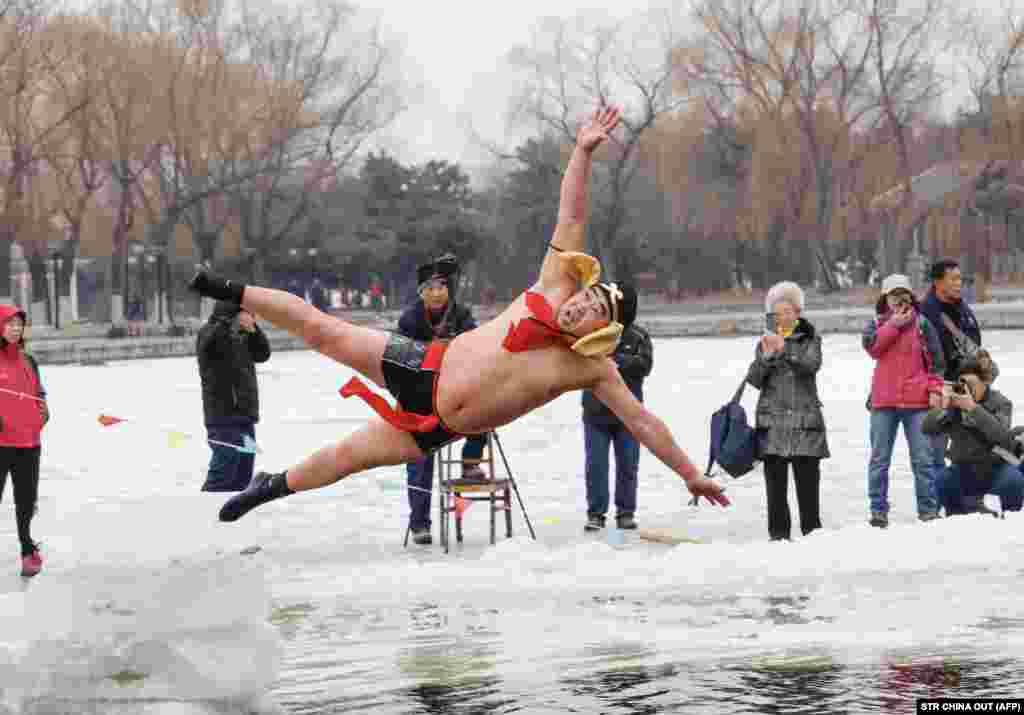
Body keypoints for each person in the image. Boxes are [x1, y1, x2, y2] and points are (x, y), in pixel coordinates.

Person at [187, 104, 729, 524]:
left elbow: (643, 422)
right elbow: (572, 211)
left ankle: (270, 485)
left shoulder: (590, 368)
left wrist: (689, 475)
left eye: (595, 310)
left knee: (349, 455)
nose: (583, 304)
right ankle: (227, 288)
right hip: (426, 364)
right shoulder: (553, 283)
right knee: (323, 331)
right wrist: (582, 154)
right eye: (588, 295)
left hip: (438, 424)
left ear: (603, 330)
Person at [399, 253, 489, 545]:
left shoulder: (461, 314)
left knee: (487, 411)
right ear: (421, 293)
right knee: (420, 460)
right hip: (421, 397)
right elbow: (400, 359)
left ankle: (471, 460)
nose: (436, 293)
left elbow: (476, 346)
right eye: (429, 288)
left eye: (441, 287)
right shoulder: (410, 319)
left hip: (456, 392)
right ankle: (420, 523)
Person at [745, 281, 827, 541]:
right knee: (775, 488)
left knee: (808, 485)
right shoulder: (765, 342)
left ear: (798, 312)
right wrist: (767, 357)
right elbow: (754, 380)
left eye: (788, 311)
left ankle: (812, 532)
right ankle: (778, 535)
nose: (783, 316)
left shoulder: (811, 339)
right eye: (778, 312)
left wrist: (786, 351)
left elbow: (811, 365)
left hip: (806, 423)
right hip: (773, 424)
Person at [862, 274, 946, 527]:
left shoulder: (923, 324)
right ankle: (878, 511)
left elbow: (937, 362)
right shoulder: (876, 324)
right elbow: (873, 348)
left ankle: (928, 510)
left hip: (917, 402)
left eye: (903, 294)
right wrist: (894, 325)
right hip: (883, 402)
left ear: (911, 296)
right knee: (879, 460)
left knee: (923, 460)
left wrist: (934, 388)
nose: (899, 299)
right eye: (893, 295)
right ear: (884, 299)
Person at [920, 259, 999, 514]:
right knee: (936, 450)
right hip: (940, 388)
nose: (958, 283)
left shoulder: (963, 308)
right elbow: (923, 354)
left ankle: (971, 501)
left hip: (966, 387)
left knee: (971, 449)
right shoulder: (927, 312)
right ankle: (938, 507)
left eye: (959, 278)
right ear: (937, 281)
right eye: (953, 278)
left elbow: (973, 342)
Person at [922, 358, 1024, 516]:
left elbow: (1001, 435)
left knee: (1014, 481)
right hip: (964, 468)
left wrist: (972, 408)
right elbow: (927, 428)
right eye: (963, 383)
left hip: (995, 468)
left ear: (985, 382)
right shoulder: (955, 403)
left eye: (972, 383)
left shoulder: (1000, 402)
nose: (967, 388)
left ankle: (1010, 521)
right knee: (942, 481)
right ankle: (956, 518)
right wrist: (943, 406)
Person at [581, 322, 653, 532]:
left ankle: (626, 513)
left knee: (629, 465)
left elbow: (645, 366)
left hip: (629, 415)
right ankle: (596, 514)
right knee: (596, 466)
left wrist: (617, 361)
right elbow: (579, 363)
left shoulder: (639, 335)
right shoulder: (592, 333)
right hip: (595, 414)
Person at [196, 300, 271, 491]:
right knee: (223, 473)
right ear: (233, 314)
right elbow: (210, 343)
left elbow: (263, 353)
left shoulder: (244, 335)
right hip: (223, 417)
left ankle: (237, 513)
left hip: (245, 416)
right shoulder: (210, 332)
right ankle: (208, 510)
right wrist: (227, 321)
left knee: (243, 474)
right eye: (247, 313)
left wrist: (254, 330)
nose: (251, 317)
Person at [0, 306, 48, 577]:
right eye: (9, 324)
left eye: (19, 324)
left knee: (26, 501)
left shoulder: (29, 360)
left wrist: (44, 408)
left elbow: (38, 392)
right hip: (0, 443)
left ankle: (27, 549)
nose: (15, 329)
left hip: (28, 443)